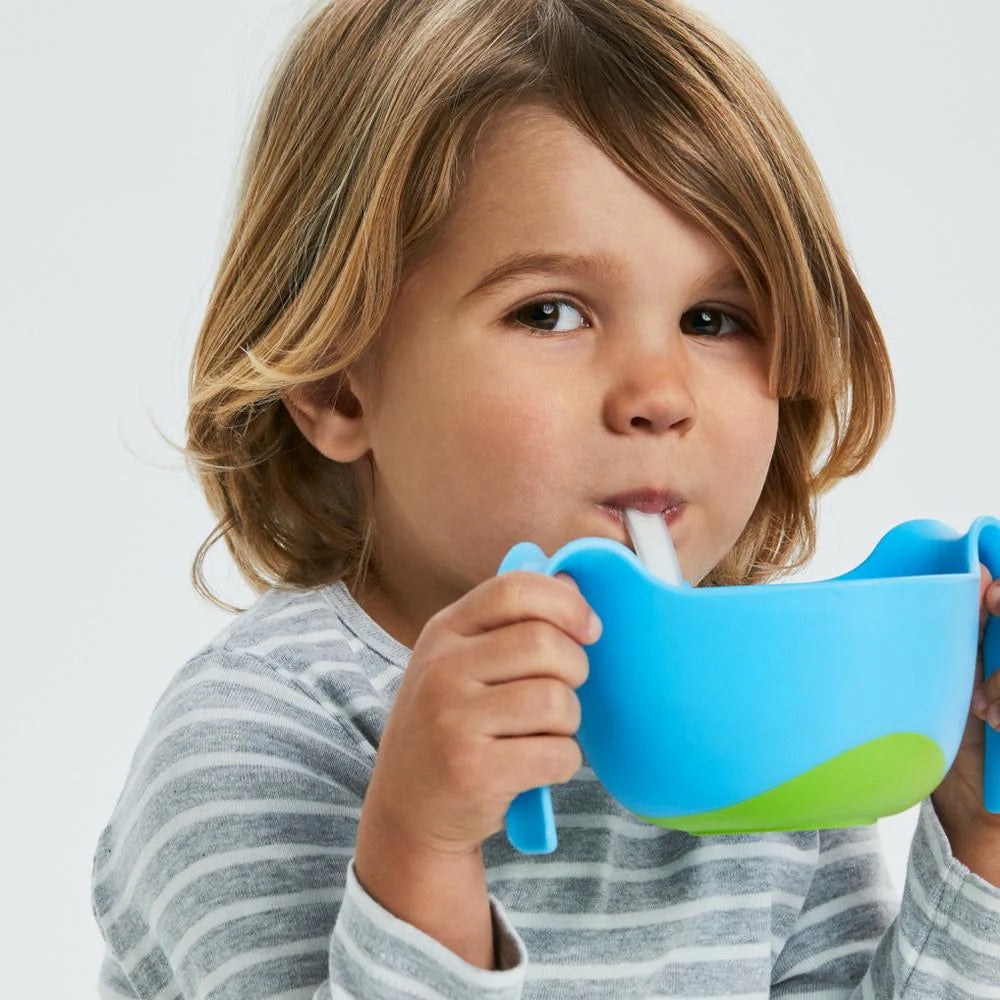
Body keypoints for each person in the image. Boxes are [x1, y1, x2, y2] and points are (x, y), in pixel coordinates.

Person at [90, 0, 1000, 996]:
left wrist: (981, 849)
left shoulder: (765, 716)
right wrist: (420, 850)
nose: (659, 393)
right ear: (338, 382)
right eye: (551, 312)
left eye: (713, 318)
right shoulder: (258, 738)